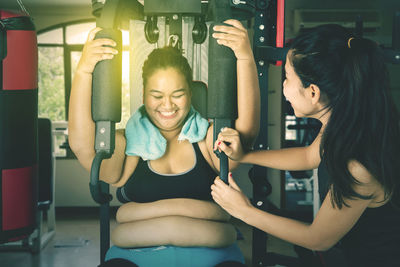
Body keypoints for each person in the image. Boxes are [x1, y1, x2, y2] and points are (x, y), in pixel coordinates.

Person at [68, 19, 260, 267]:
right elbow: (82, 146)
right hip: (137, 258)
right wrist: (84, 70)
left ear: (191, 94)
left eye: (178, 95)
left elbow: (246, 133)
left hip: (211, 258)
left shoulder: (206, 139)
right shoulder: (128, 146)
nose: (167, 106)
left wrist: (245, 58)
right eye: (157, 96)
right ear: (144, 94)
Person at [212, 24, 400, 267]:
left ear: (313, 92)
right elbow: (309, 156)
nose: (284, 87)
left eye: (287, 77)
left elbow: (318, 239)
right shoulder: (347, 123)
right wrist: (245, 155)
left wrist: (244, 211)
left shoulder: (359, 164)